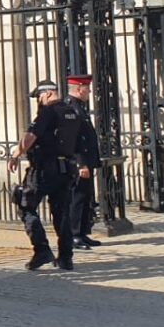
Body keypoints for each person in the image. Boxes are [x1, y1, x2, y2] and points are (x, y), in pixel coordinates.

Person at [8, 80, 92, 271]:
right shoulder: (73, 112)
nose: (38, 101)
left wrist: (15, 155)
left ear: (46, 94)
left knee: (24, 205)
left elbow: (31, 136)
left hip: (44, 170)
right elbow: (80, 143)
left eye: (38, 97)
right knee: (62, 213)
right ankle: (65, 257)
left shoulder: (48, 111)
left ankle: (42, 249)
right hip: (66, 169)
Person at [64, 74, 104, 250]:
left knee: (86, 197)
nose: (89, 92)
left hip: (87, 160)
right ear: (79, 89)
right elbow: (73, 139)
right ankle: (74, 235)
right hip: (79, 163)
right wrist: (80, 163)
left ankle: (83, 232)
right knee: (77, 199)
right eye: (87, 89)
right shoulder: (71, 108)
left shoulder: (79, 107)